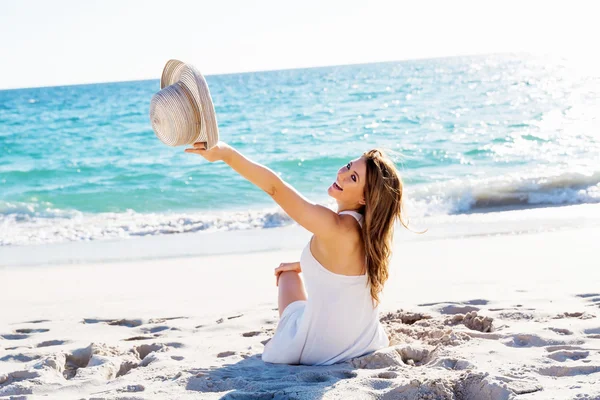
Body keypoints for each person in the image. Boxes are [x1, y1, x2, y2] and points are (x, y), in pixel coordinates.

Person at [185, 141, 409, 366]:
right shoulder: (371, 235)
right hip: (365, 342)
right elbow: (344, 267)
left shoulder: (334, 226)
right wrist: (303, 264)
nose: (342, 174)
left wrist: (226, 154)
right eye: (349, 166)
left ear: (364, 198)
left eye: (353, 178)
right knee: (293, 270)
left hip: (321, 350)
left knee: (286, 275)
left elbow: (275, 188)